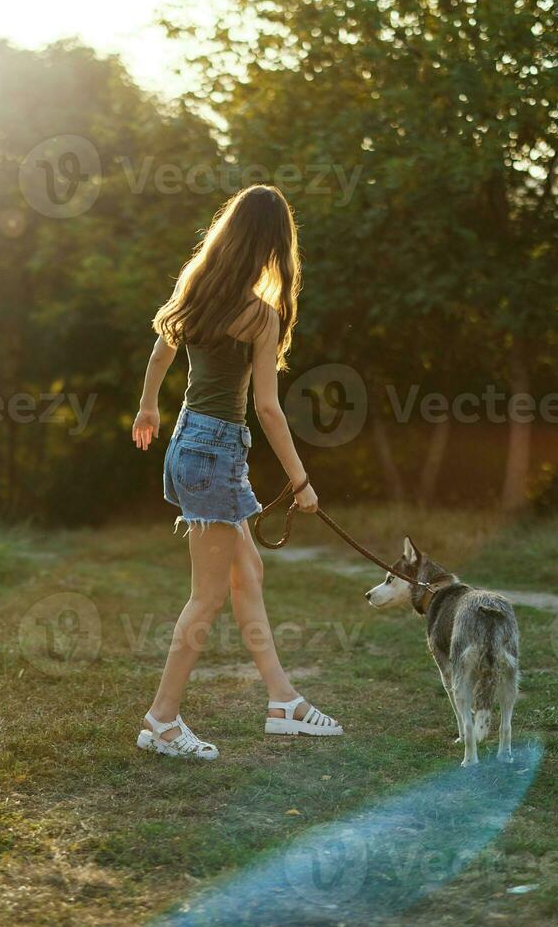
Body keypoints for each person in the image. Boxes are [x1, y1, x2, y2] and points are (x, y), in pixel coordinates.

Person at [131, 185, 343, 760]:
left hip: (189, 441)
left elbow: (158, 354)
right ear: (275, 247)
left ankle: (283, 701)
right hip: (217, 451)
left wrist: (148, 405)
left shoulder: (197, 290)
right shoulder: (259, 313)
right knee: (206, 597)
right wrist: (301, 482)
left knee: (247, 575)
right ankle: (162, 721)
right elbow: (269, 409)